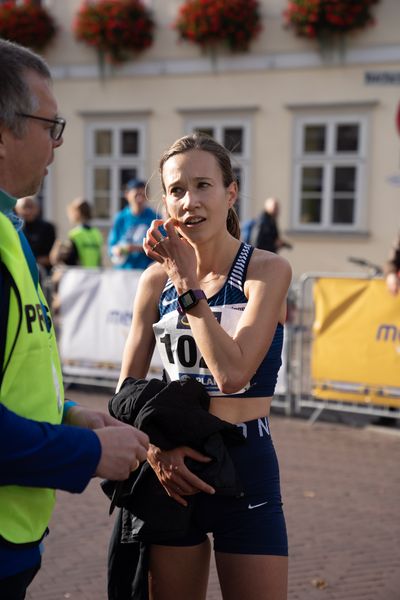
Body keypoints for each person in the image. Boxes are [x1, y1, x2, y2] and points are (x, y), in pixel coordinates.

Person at [0, 39, 149, 598]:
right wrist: (86, 453)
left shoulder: (9, 230)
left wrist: (68, 416)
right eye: (49, 126)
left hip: (14, 537)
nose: (57, 146)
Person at [117, 133, 292, 600]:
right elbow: (125, 392)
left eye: (203, 186)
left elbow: (233, 376)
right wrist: (155, 452)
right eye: (176, 190)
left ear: (230, 192)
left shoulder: (266, 271)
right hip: (174, 467)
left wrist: (187, 284)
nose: (189, 201)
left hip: (245, 462)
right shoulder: (154, 280)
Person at [108, 178, 157, 269]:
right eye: (136, 195)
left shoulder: (154, 217)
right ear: (127, 195)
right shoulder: (120, 218)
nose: (139, 199)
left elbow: (161, 246)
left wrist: (135, 248)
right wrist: (118, 250)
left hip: (146, 270)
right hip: (124, 271)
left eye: (142, 195)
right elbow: (112, 246)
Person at [51, 197, 103, 267]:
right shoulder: (96, 233)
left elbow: (69, 259)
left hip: (79, 274)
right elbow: (99, 260)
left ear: (77, 213)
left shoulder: (75, 234)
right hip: (94, 274)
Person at [14, 195, 56, 275]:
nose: (27, 211)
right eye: (24, 207)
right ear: (17, 209)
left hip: (42, 272)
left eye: (30, 207)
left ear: (37, 208)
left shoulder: (47, 228)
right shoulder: (13, 227)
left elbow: (51, 257)